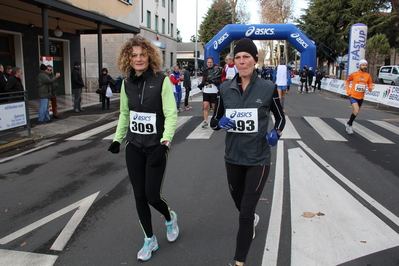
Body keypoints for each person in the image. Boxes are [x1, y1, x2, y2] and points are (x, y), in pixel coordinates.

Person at [210, 38, 285, 266]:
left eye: (247, 57)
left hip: (258, 158)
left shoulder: (268, 88)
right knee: (239, 204)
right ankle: (251, 217)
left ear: (255, 60)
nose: (242, 62)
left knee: (244, 212)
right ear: (234, 62)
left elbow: (280, 117)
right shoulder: (224, 88)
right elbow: (214, 120)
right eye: (239, 57)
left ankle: (238, 261)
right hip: (233, 157)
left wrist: (276, 133)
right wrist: (219, 123)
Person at [107, 35, 179, 262]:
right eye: (134, 55)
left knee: (151, 195)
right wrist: (118, 139)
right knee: (139, 196)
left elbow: (171, 114)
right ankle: (149, 239)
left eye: (142, 54)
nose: (138, 59)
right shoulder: (127, 83)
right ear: (128, 58)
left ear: (150, 56)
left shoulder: (161, 81)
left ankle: (170, 217)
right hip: (134, 147)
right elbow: (125, 115)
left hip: (155, 148)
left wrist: (165, 143)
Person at [345, 59, 373, 134]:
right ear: (360, 66)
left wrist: (370, 87)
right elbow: (347, 81)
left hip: (361, 97)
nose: (365, 66)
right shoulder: (354, 75)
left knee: (356, 112)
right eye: (363, 65)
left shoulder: (368, 76)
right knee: (356, 110)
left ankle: (348, 123)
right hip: (353, 96)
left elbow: (370, 83)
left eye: (366, 65)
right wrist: (348, 90)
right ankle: (350, 125)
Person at [197, 57, 221, 128]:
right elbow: (203, 80)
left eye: (211, 62)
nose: (209, 64)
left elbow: (218, 81)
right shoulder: (204, 70)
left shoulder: (216, 71)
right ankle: (205, 121)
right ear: (206, 63)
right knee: (205, 106)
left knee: (214, 107)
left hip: (213, 91)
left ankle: (215, 119)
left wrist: (212, 81)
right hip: (206, 91)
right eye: (208, 62)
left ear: (212, 63)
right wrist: (203, 84)